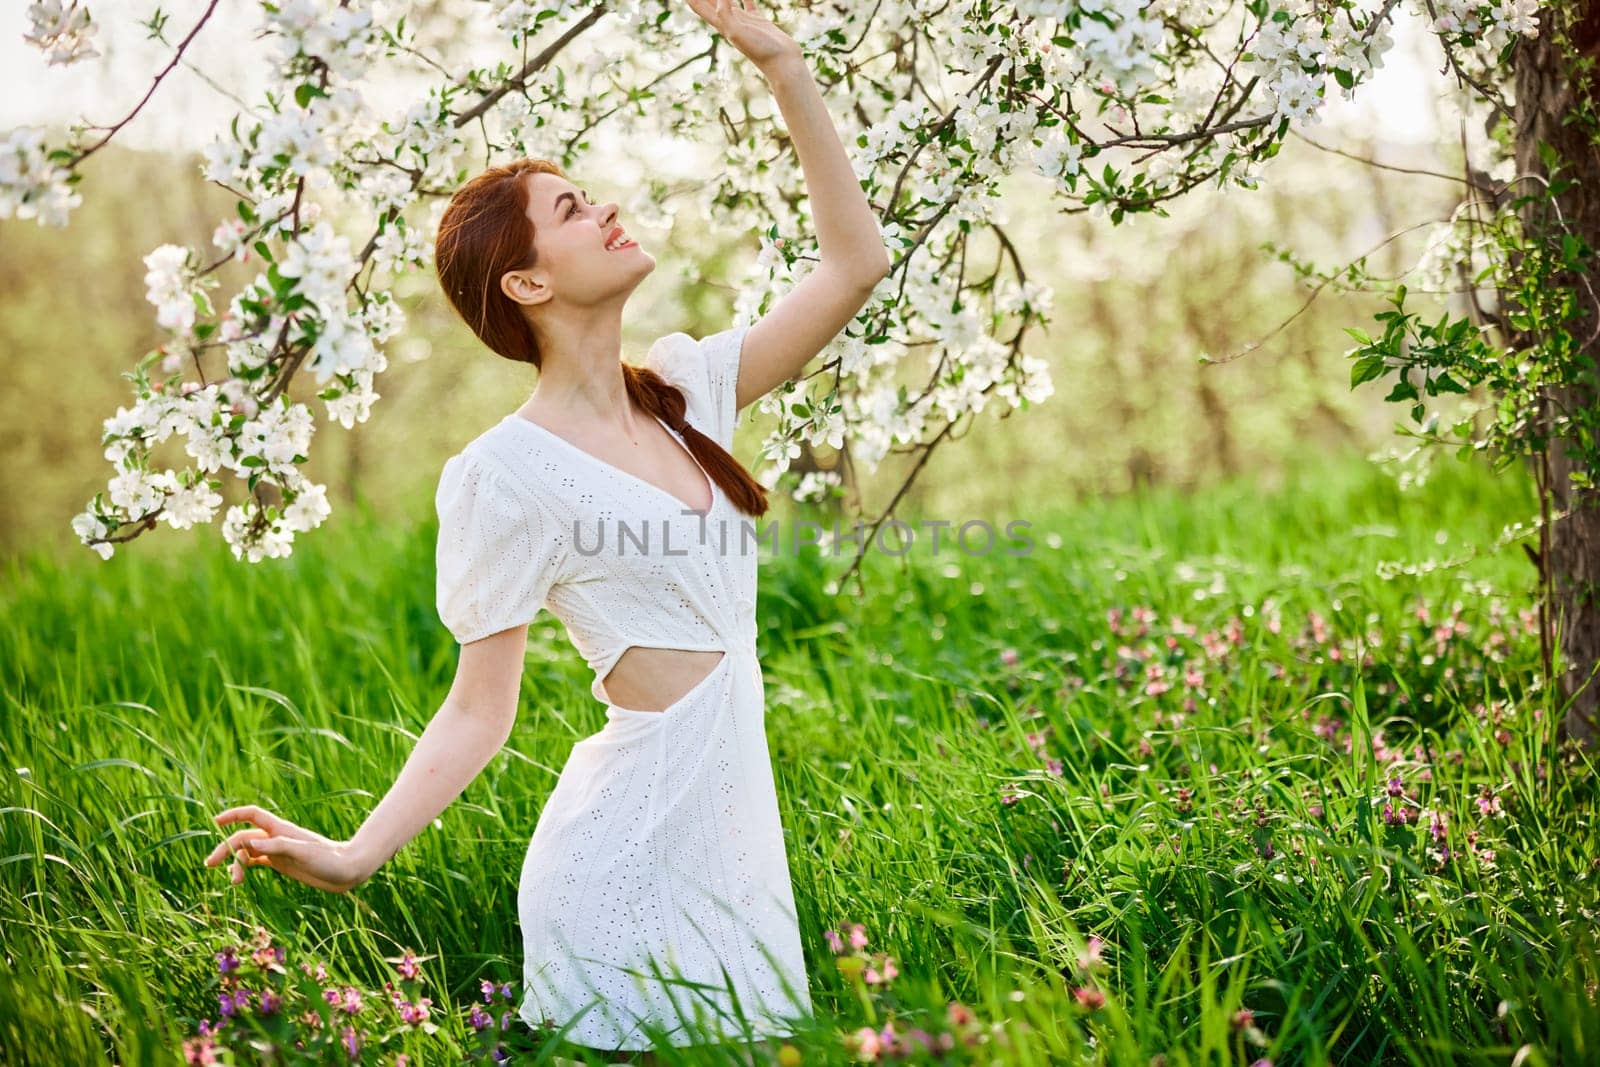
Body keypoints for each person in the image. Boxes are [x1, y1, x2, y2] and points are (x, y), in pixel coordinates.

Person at [202, 1, 891, 1062]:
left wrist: (783, 66)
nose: (606, 208)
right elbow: (479, 710)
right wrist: (353, 854)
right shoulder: (500, 476)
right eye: (572, 208)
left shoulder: (687, 392)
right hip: (619, 867)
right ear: (527, 281)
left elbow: (855, 267)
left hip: (735, 857)